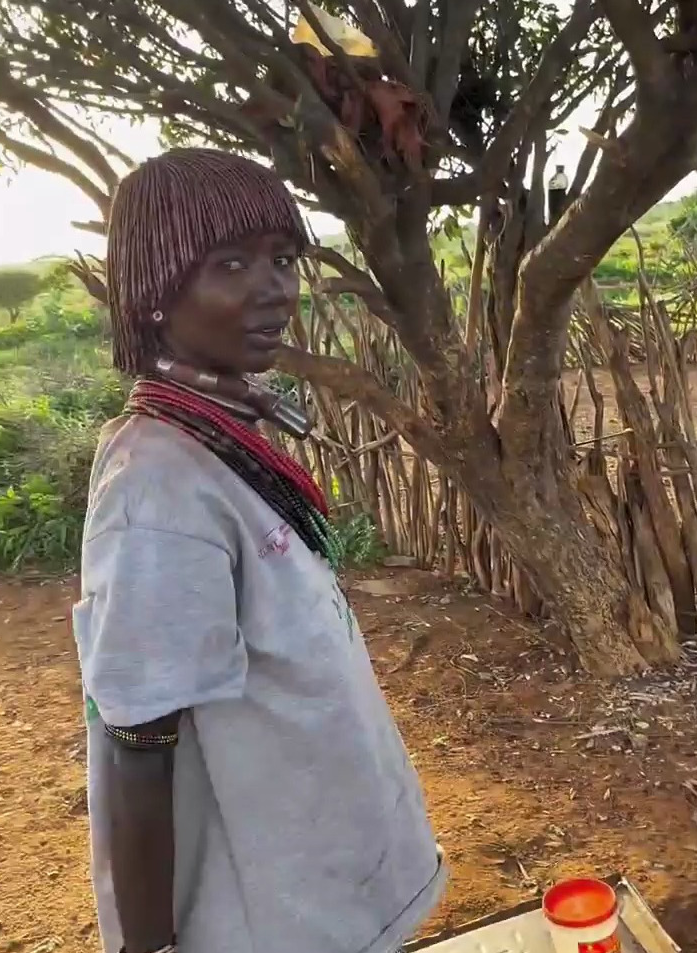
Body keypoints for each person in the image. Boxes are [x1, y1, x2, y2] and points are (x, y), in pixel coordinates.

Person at [72, 148, 446, 953]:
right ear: (153, 290)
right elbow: (138, 742)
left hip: (315, 864)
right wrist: (150, 950)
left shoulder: (217, 437)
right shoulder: (155, 489)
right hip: (264, 915)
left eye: (282, 259)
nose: (273, 287)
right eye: (230, 263)